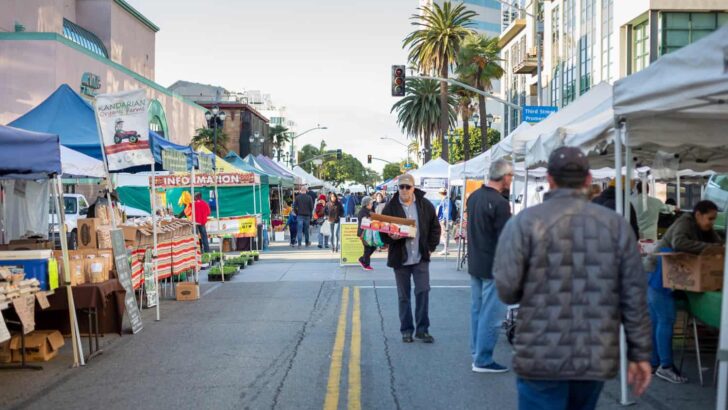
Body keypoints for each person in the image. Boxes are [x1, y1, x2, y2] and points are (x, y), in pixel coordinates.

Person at [493, 147, 652, 409]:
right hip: (594, 354)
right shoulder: (616, 226)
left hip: (540, 353)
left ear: (549, 179)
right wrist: (640, 354)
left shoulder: (523, 223)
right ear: (589, 180)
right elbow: (634, 296)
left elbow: (507, 289)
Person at [645, 200, 722, 384]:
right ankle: (666, 366)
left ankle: (654, 364)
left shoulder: (704, 228)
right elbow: (679, 243)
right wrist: (712, 248)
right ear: (697, 214)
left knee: (658, 320)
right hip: (658, 272)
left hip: (668, 273)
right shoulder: (684, 222)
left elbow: (717, 242)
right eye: (709, 218)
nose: (711, 222)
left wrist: (720, 247)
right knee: (665, 318)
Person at [466, 159, 513, 373]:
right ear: (504, 177)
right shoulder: (501, 203)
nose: (511, 180)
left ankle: (477, 353)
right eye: (511, 176)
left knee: (477, 310)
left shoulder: (474, 197)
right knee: (491, 315)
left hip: (476, 262)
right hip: (493, 265)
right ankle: (483, 359)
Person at [381, 174, 440, 344]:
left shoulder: (424, 204)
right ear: (398, 188)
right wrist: (391, 237)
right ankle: (406, 330)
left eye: (408, 187)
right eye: (402, 187)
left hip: (420, 257)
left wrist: (430, 247)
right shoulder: (390, 207)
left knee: (423, 291)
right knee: (403, 296)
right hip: (400, 259)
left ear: (414, 188)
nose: (405, 190)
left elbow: (435, 227)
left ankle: (422, 330)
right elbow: (382, 235)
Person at [436, 187, 458, 255]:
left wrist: (445, 220)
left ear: (440, 193)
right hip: (445, 220)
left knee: (444, 235)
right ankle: (446, 249)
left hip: (445, 220)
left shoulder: (446, 200)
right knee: (445, 235)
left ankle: (446, 249)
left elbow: (447, 211)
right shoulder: (445, 200)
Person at [357, 196, 375, 271]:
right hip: (364, 233)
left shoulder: (370, 210)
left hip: (370, 232)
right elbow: (364, 222)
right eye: (371, 203)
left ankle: (362, 259)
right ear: (367, 204)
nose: (372, 205)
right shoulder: (362, 211)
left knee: (373, 247)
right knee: (368, 248)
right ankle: (366, 264)